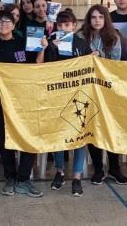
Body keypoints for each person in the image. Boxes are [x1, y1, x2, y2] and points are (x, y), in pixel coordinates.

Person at [0, 10, 42, 197]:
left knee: (29, 138)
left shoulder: (24, 42)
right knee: (4, 140)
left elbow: (37, 67)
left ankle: (23, 179)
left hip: (24, 100)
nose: (3, 24)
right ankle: (10, 178)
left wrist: (42, 49)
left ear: (14, 24)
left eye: (7, 21)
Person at [36, 10, 91, 196]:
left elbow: (90, 69)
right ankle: (59, 172)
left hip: (78, 97)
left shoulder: (82, 44)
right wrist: (48, 48)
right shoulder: (52, 44)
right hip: (57, 96)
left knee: (79, 137)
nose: (63, 28)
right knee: (58, 135)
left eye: (67, 25)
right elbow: (43, 69)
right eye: (60, 25)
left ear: (74, 26)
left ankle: (76, 176)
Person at [77, 5, 127, 184]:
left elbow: (116, 64)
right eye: (93, 17)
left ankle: (114, 167)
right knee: (92, 128)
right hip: (87, 89)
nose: (97, 20)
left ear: (106, 19)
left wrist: (100, 58)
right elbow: (74, 60)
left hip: (108, 89)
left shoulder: (113, 37)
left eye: (100, 17)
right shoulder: (80, 36)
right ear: (88, 20)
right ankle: (98, 168)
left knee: (111, 128)